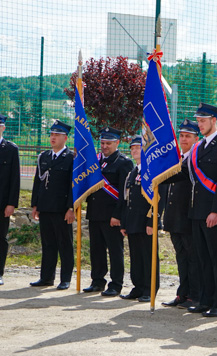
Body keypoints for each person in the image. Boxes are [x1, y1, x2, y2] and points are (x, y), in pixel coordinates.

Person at [185, 103, 217, 317]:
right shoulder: (198, 147)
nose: (200, 124)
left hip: (213, 213)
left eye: (203, 121)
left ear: (214, 120)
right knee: (201, 258)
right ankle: (205, 299)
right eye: (198, 121)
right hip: (197, 211)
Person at [83, 127, 133, 297]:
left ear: (117, 143)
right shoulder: (94, 161)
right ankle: (97, 281)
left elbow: (124, 193)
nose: (104, 146)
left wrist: (118, 215)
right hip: (95, 212)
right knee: (96, 249)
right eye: (102, 143)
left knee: (114, 250)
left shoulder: (123, 163)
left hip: (112, 215)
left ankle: (116, 284)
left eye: (108, 143)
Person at [160, 119, 201, 309]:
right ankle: (182, 293)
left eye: (188, 136)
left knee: (193, 257)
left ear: (196, 138)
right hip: (174, 216)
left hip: (188, 216)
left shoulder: (196, 159)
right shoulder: (178, 158)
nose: (184, 139)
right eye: (182, 136)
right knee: (180, 257)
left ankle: (194, 294)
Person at [30, 120, 74, 290]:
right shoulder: (44, 156)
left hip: (62, 209)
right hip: (45, 207)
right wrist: (35, 205)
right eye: (51, 134)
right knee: (48, 244)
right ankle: (46, 277)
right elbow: (37, 182)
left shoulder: (70, 158)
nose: (53, 138)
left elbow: (73, 186)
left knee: (64, 244)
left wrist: (71, 208)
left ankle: (65, 279)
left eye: (57, 135)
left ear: (65, 138)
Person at [119, 136, 159, 302]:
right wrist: (124, 222)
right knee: (135, 256)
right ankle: (138, 286)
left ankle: (149, 289)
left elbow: (157, 199)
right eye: (132, 148)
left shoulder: (152, 171)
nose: (134, 150)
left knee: (148, 256)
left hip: (146, 221)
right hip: (133, 221)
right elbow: (127, 200)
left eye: (138, 147)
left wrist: (152, 221)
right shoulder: (133, 172)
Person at [0, 115, 21, 286]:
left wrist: (11, 203)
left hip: (2, 203)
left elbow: (15, 179)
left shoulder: (11, 149)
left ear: (3, 128)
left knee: (1, 238)